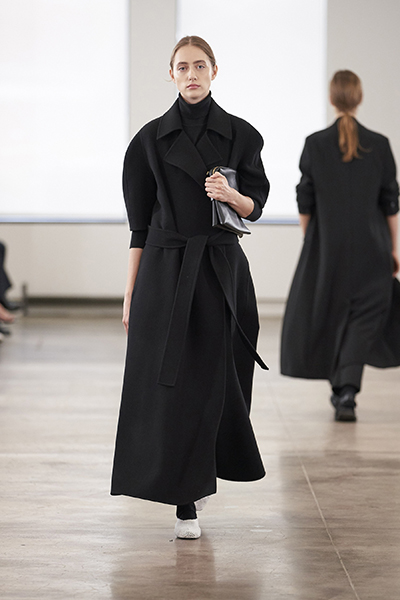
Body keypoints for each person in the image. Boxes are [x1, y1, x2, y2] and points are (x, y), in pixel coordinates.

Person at [111, 36, 270, 538]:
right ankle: (185, 502)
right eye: (182, 67)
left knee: (221, 381)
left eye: (200, 66)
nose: (192, 74)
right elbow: (139, 227)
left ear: (214, 71)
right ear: (172, 74)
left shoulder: (242, 135)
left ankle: (201, 471)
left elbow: (255, 206)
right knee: (174, 385)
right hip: (165, 273)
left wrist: (231, 195)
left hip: (221, 271)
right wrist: (131, 292)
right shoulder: (148, 141)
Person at [281, 70, 400, 422]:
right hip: (373, 246)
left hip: (327, 247)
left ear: (332, 99)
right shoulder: (379, 144)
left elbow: (305, 200)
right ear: (359, 98)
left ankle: (343, 388)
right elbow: (390, 203)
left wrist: (311, 239)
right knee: (364, 318)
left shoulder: (315, 143)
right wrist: (394, 248)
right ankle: (346, 390)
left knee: (333, 314)